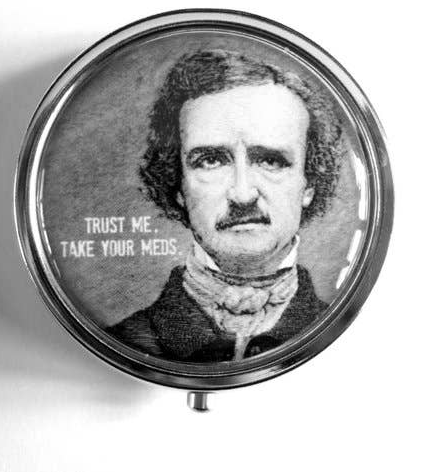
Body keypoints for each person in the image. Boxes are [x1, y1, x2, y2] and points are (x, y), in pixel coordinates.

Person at [107, 50, 342, 362]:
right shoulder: (123, 342)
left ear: (309, 183)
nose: (243, 195)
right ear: (178, 185)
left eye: (271, 161)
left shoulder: (345, 344)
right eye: (211, 160)